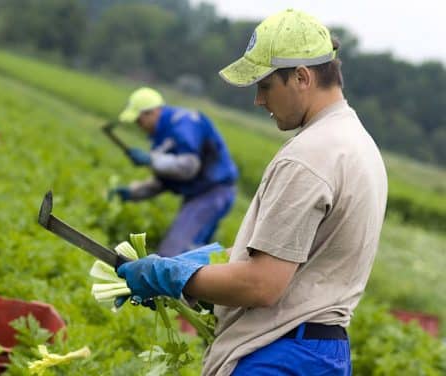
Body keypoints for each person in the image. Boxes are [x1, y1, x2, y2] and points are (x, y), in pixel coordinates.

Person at [116, 9, 388, 376]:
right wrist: (197, 266)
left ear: (302, 77)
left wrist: (171, 276)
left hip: (279, 353)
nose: (259, 101)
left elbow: (262, 284)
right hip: (320, 351)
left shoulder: (309, 156)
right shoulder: (358, 144)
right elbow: (292, 261)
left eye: (264, 86)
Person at [110, 87, 238, 257]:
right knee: (197, 255)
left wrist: (151, 159)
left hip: (212, 193)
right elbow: (166, 180)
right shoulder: (161, 138)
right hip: (199, 195)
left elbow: (189, 167)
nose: (139, 126)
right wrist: (134, 192)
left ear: (152, 112)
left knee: (174, 254)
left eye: (139, 120)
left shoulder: (184, 123)